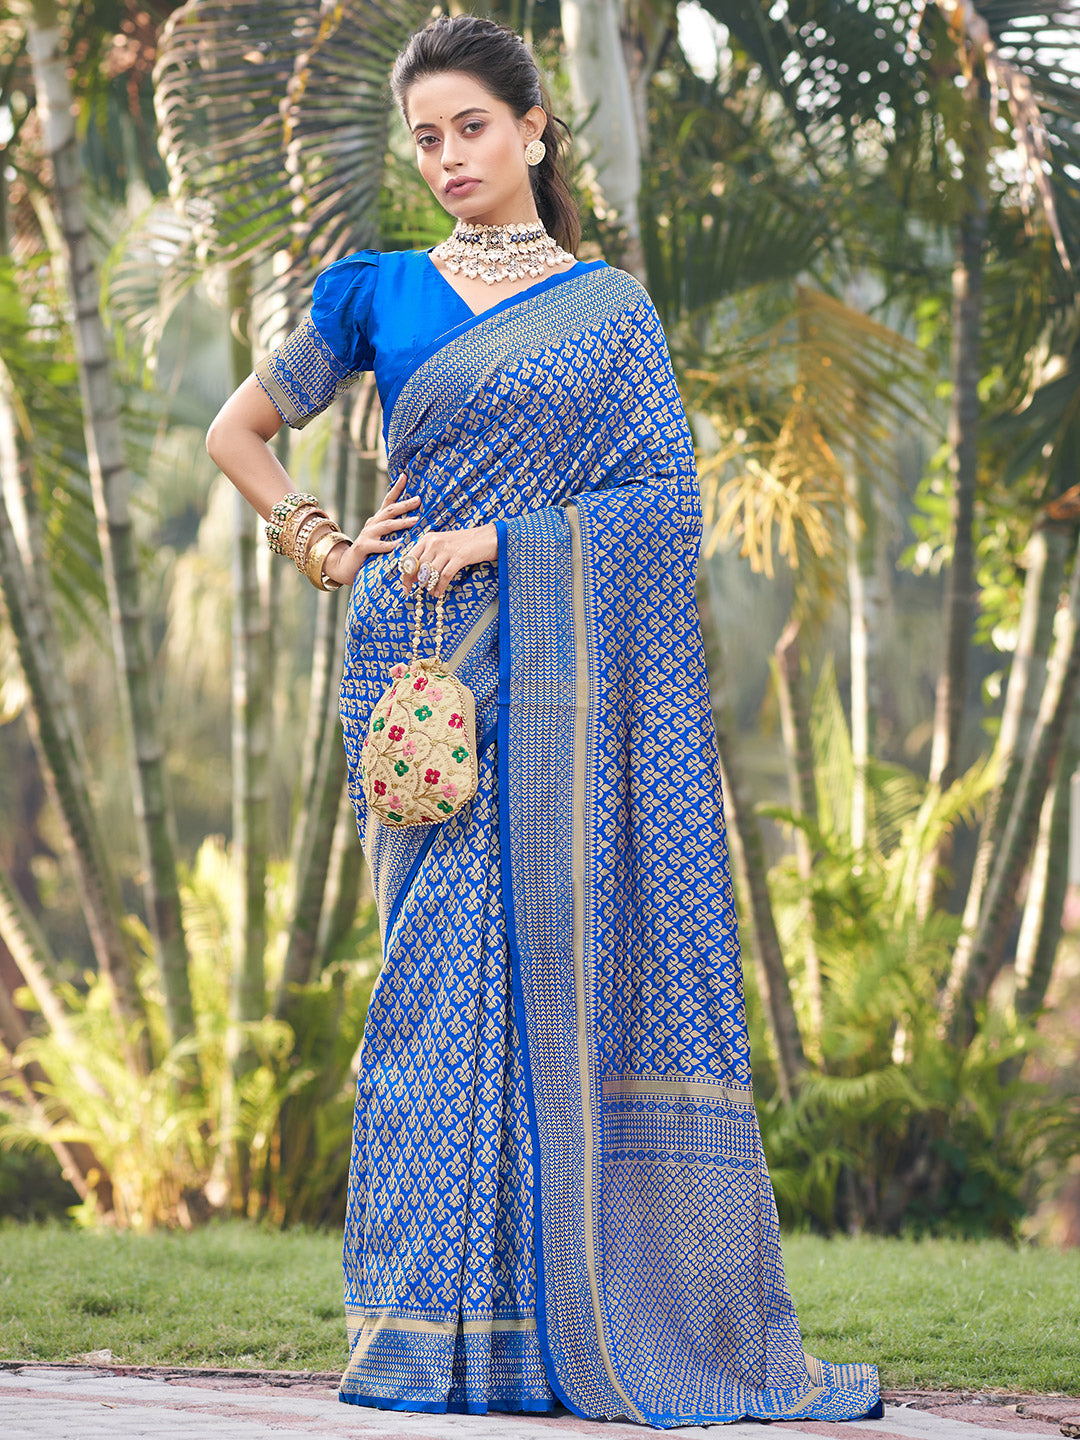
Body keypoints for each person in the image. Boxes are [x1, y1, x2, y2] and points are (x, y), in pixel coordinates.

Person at [206, 12, 883, 1429]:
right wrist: (323, 544)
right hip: (424, 682)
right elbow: (238, 432)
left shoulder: (610, 312)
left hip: (562, 684)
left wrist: (505, 542)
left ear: (533, 129)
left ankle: (553, 1334)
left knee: (560, 981)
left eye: (472, 128)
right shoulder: (377, 289)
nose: (449, 157)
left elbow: (665, 505)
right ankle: (434, 1342)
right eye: (427, 138)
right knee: (435, 997)